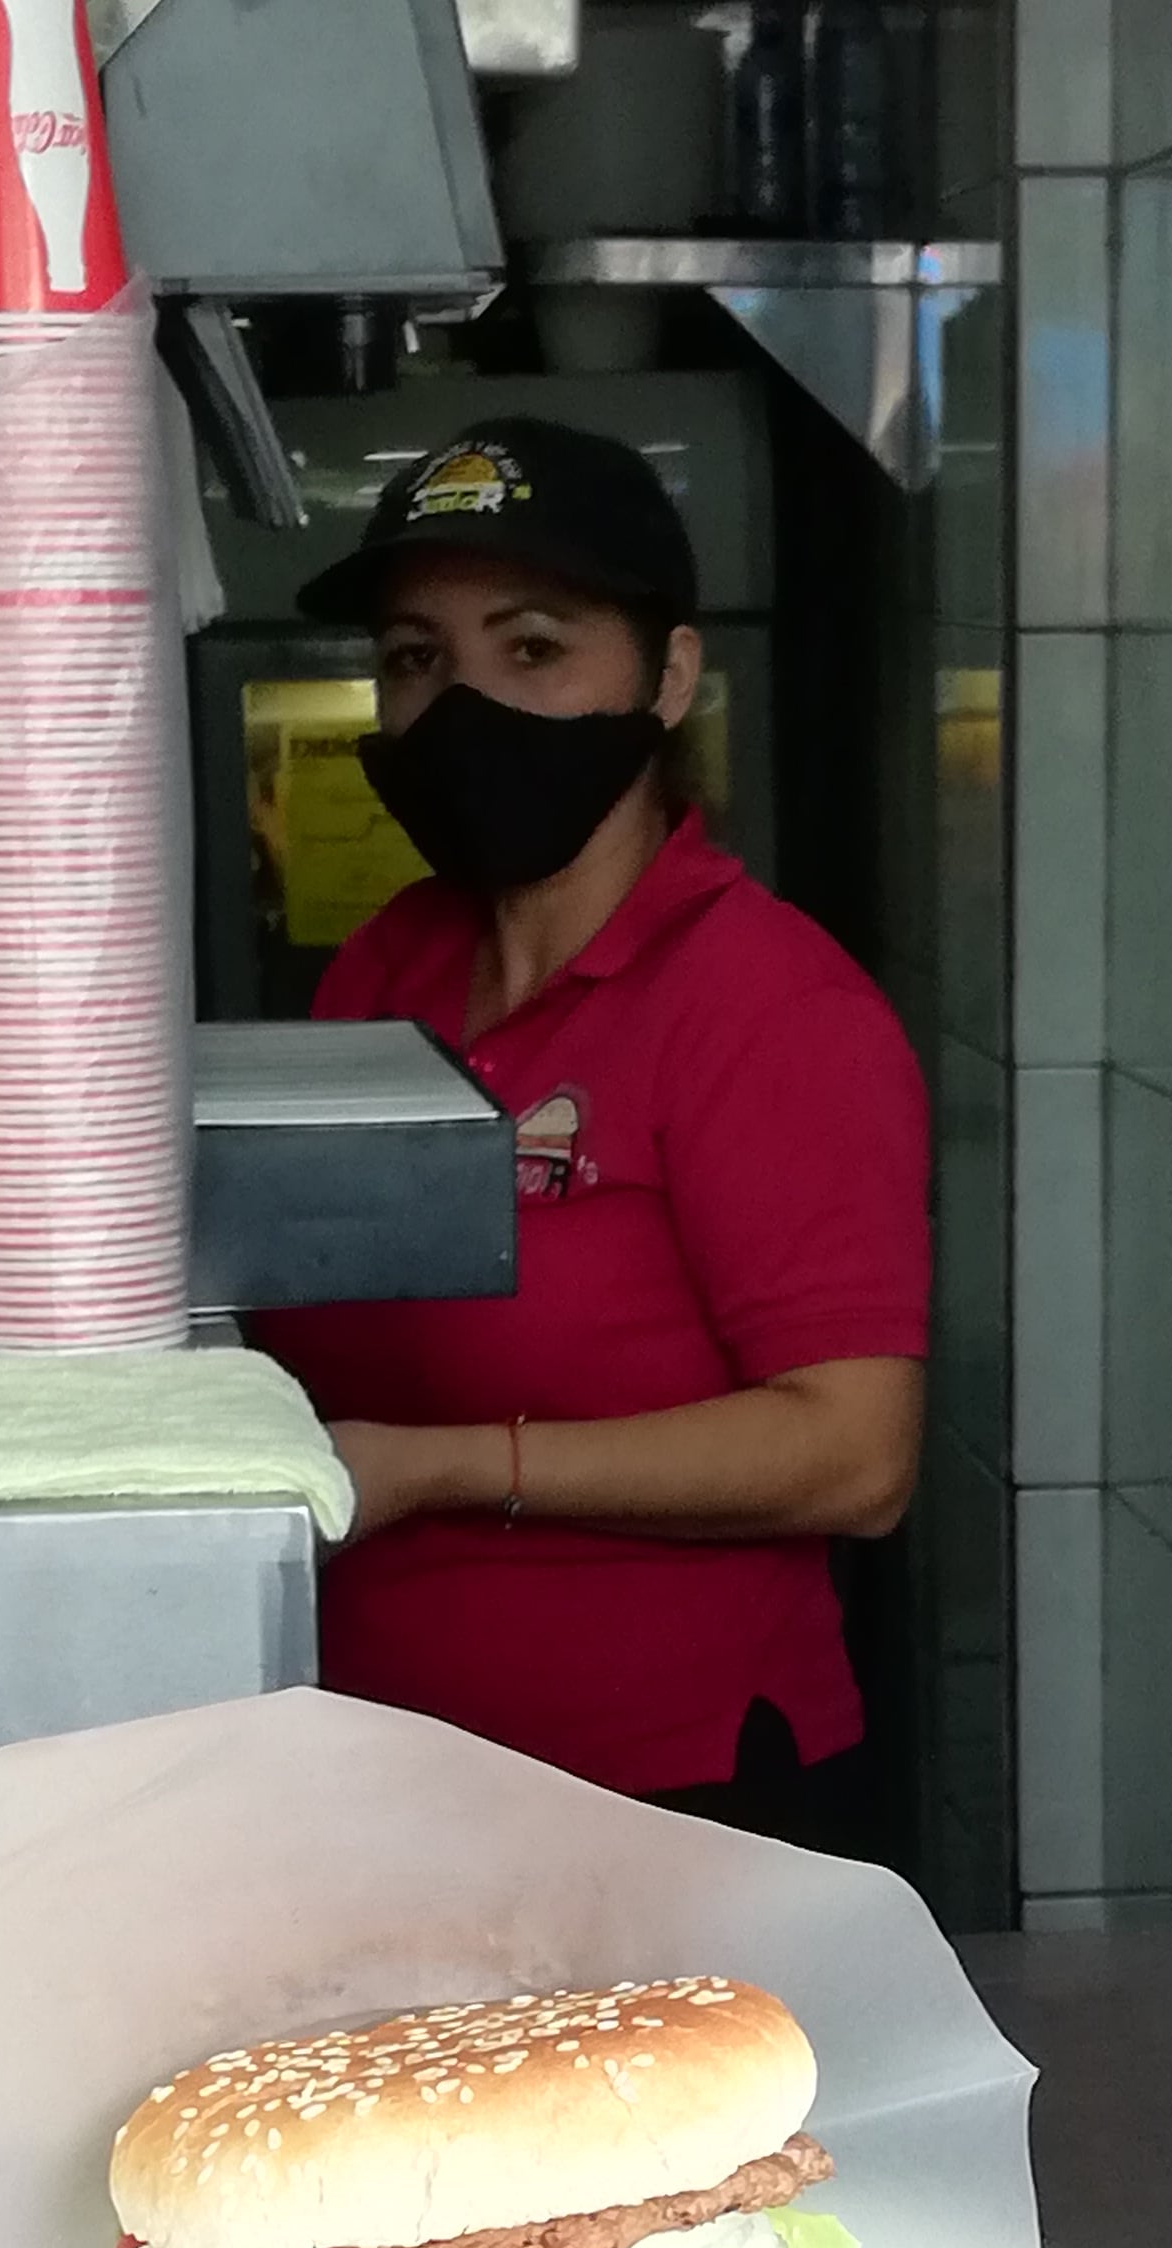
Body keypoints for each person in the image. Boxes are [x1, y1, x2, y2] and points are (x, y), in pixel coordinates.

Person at [246, 418, 930, 1853]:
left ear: (670, 676)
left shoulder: (768, 1006)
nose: (465, 705)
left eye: (535, 649)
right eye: (418, 659)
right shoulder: (382, 974)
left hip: (669, 1804)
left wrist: (446, 1466)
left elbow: (856, 1456)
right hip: (375, 1780)